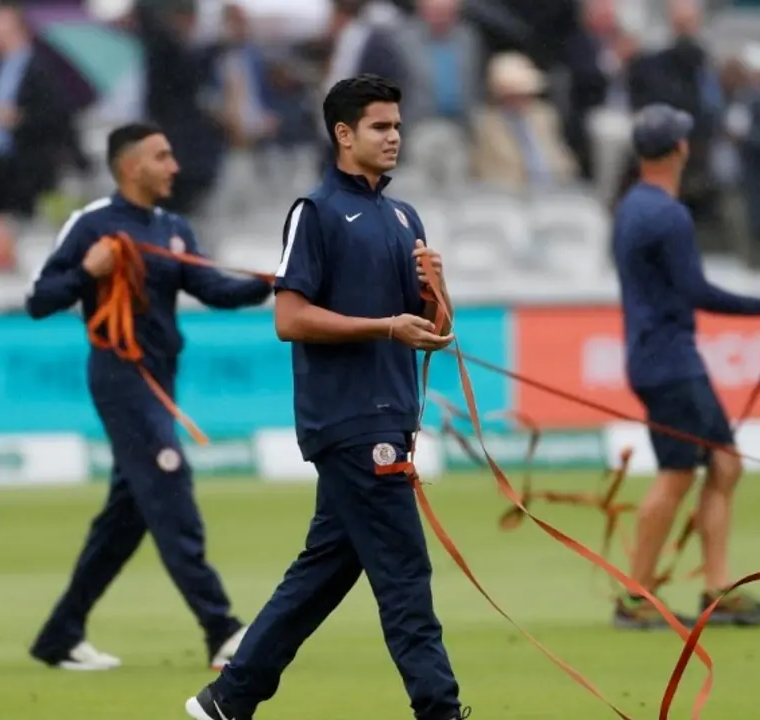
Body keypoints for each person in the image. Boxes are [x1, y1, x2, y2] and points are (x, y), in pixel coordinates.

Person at [183, 74, 468, 720]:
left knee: (325, 570)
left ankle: (228, 699)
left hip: (391, 415)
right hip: (350, 419)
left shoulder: (404, 216)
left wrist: (436, 289)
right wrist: (385, 327)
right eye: (379, 127)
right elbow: (289, 318)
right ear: (343, 134)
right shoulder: (315, 212)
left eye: (397, 126)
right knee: (404, 576)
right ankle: (440, 710)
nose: (394, 138)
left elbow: (435, 332)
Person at [24, 121, 273, 672]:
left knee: (127, 517)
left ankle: (60, 635)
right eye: (163, 157)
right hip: (120, 376)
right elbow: (39, 300)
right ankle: (221, 628)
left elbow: (214, 291)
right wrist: (87, 273)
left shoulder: (174, 227)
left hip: (160, 381)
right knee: (170, 485)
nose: (174, 167)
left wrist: (271, 282)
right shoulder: (92, 224)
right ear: (131, 166)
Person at [609, 102, 760, 631]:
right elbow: (697, 291)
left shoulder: (632, 205)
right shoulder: (667, 214)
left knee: (724, 463)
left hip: (658, 356)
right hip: (669, 360)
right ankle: (636, 597)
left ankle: (717, 590)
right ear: (681, 149)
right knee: (678, 475)